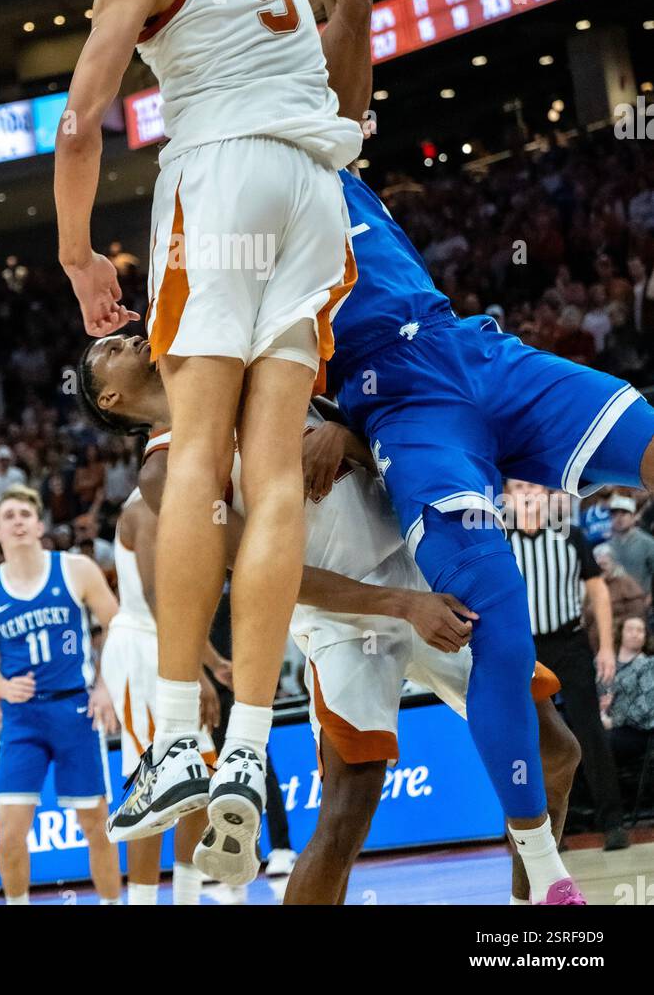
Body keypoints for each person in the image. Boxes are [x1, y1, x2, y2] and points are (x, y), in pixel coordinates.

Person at [248, 0, 654, 904]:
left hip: (466, 350)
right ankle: (537, 874)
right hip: (394, 416)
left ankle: (534, 876)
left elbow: (350, 10)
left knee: (647, 447)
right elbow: (233, 383)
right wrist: (326, 411)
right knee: (466, 650)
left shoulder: (316, 137)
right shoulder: (210, 231)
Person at [60, 0, 362, 879]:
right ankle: (250, 744)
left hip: (227, 170)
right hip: (316, 184)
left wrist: (79, 254)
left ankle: (176, 737)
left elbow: (82, 117)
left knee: (195, 457)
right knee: (271, 468)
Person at [77, 338, 580, 905]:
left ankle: (526, 908)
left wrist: (348, 440)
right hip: (343, 619)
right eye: (110, 349)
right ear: (111, 397)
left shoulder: (259, 378)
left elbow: (396, 446)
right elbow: (260, 576)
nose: (129, 336)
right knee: (347, 813)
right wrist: (400, 605)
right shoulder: (166, 470)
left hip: (417, 567)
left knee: (553, 750)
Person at [0, 485, 123, 905]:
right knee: (10, 831)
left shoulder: (76, 569)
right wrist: (1, 686)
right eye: (8, 516)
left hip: (75, 709)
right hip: (22, 718)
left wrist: (105, 686)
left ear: (39, 524)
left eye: (24, 514)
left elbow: (116, 625)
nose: (17, 521)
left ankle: (112, 903)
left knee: (96, 824)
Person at [100, 489, 220, 905]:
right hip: (141, 651)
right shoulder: (144, 508)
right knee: (149, 784)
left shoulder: (180, 503)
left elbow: (183, 603)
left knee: (197, 779)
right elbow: (157, 599)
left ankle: (187, 898)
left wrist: (213, 661)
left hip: (169, 644)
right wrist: (200, 671)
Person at [506, 480, 628, 850]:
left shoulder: (571, 536)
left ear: (546, 495)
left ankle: (613, 823)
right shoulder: (499, 540)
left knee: (589, 732)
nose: (527, 493)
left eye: (533, 487)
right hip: (520, 650)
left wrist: (606, 646)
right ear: (507, 497)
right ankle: (535, 831)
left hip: (569, 643)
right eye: (518, 487)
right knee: (522, 740)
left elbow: (598, 590)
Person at [600, 616, 654, 764]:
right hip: (601, 722)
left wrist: (613, 721)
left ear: (645, 637)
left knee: (595, 745)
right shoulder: (604, 662)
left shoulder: (649, 665)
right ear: (620, 633)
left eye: (640, 630)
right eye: (630, 629)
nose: (635, 633)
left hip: (633, 731)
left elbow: (644, 708)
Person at [583, 545, 649, 652]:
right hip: (595, 647)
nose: (601, 568)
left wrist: (616, 627)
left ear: (613, 564)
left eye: (604, 564)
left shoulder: (626, 583)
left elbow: (638, 613)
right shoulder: (593, 588)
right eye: (598, 565)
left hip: (621, 645)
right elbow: (586, 618)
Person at [608, 494, 654, 601]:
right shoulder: (608, 545)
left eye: (624, 513)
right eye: (615, 514)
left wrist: (651, 597)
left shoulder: (647, 542)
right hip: (615, 603)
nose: (619, 518)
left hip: (642, 601)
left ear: (633, 516)